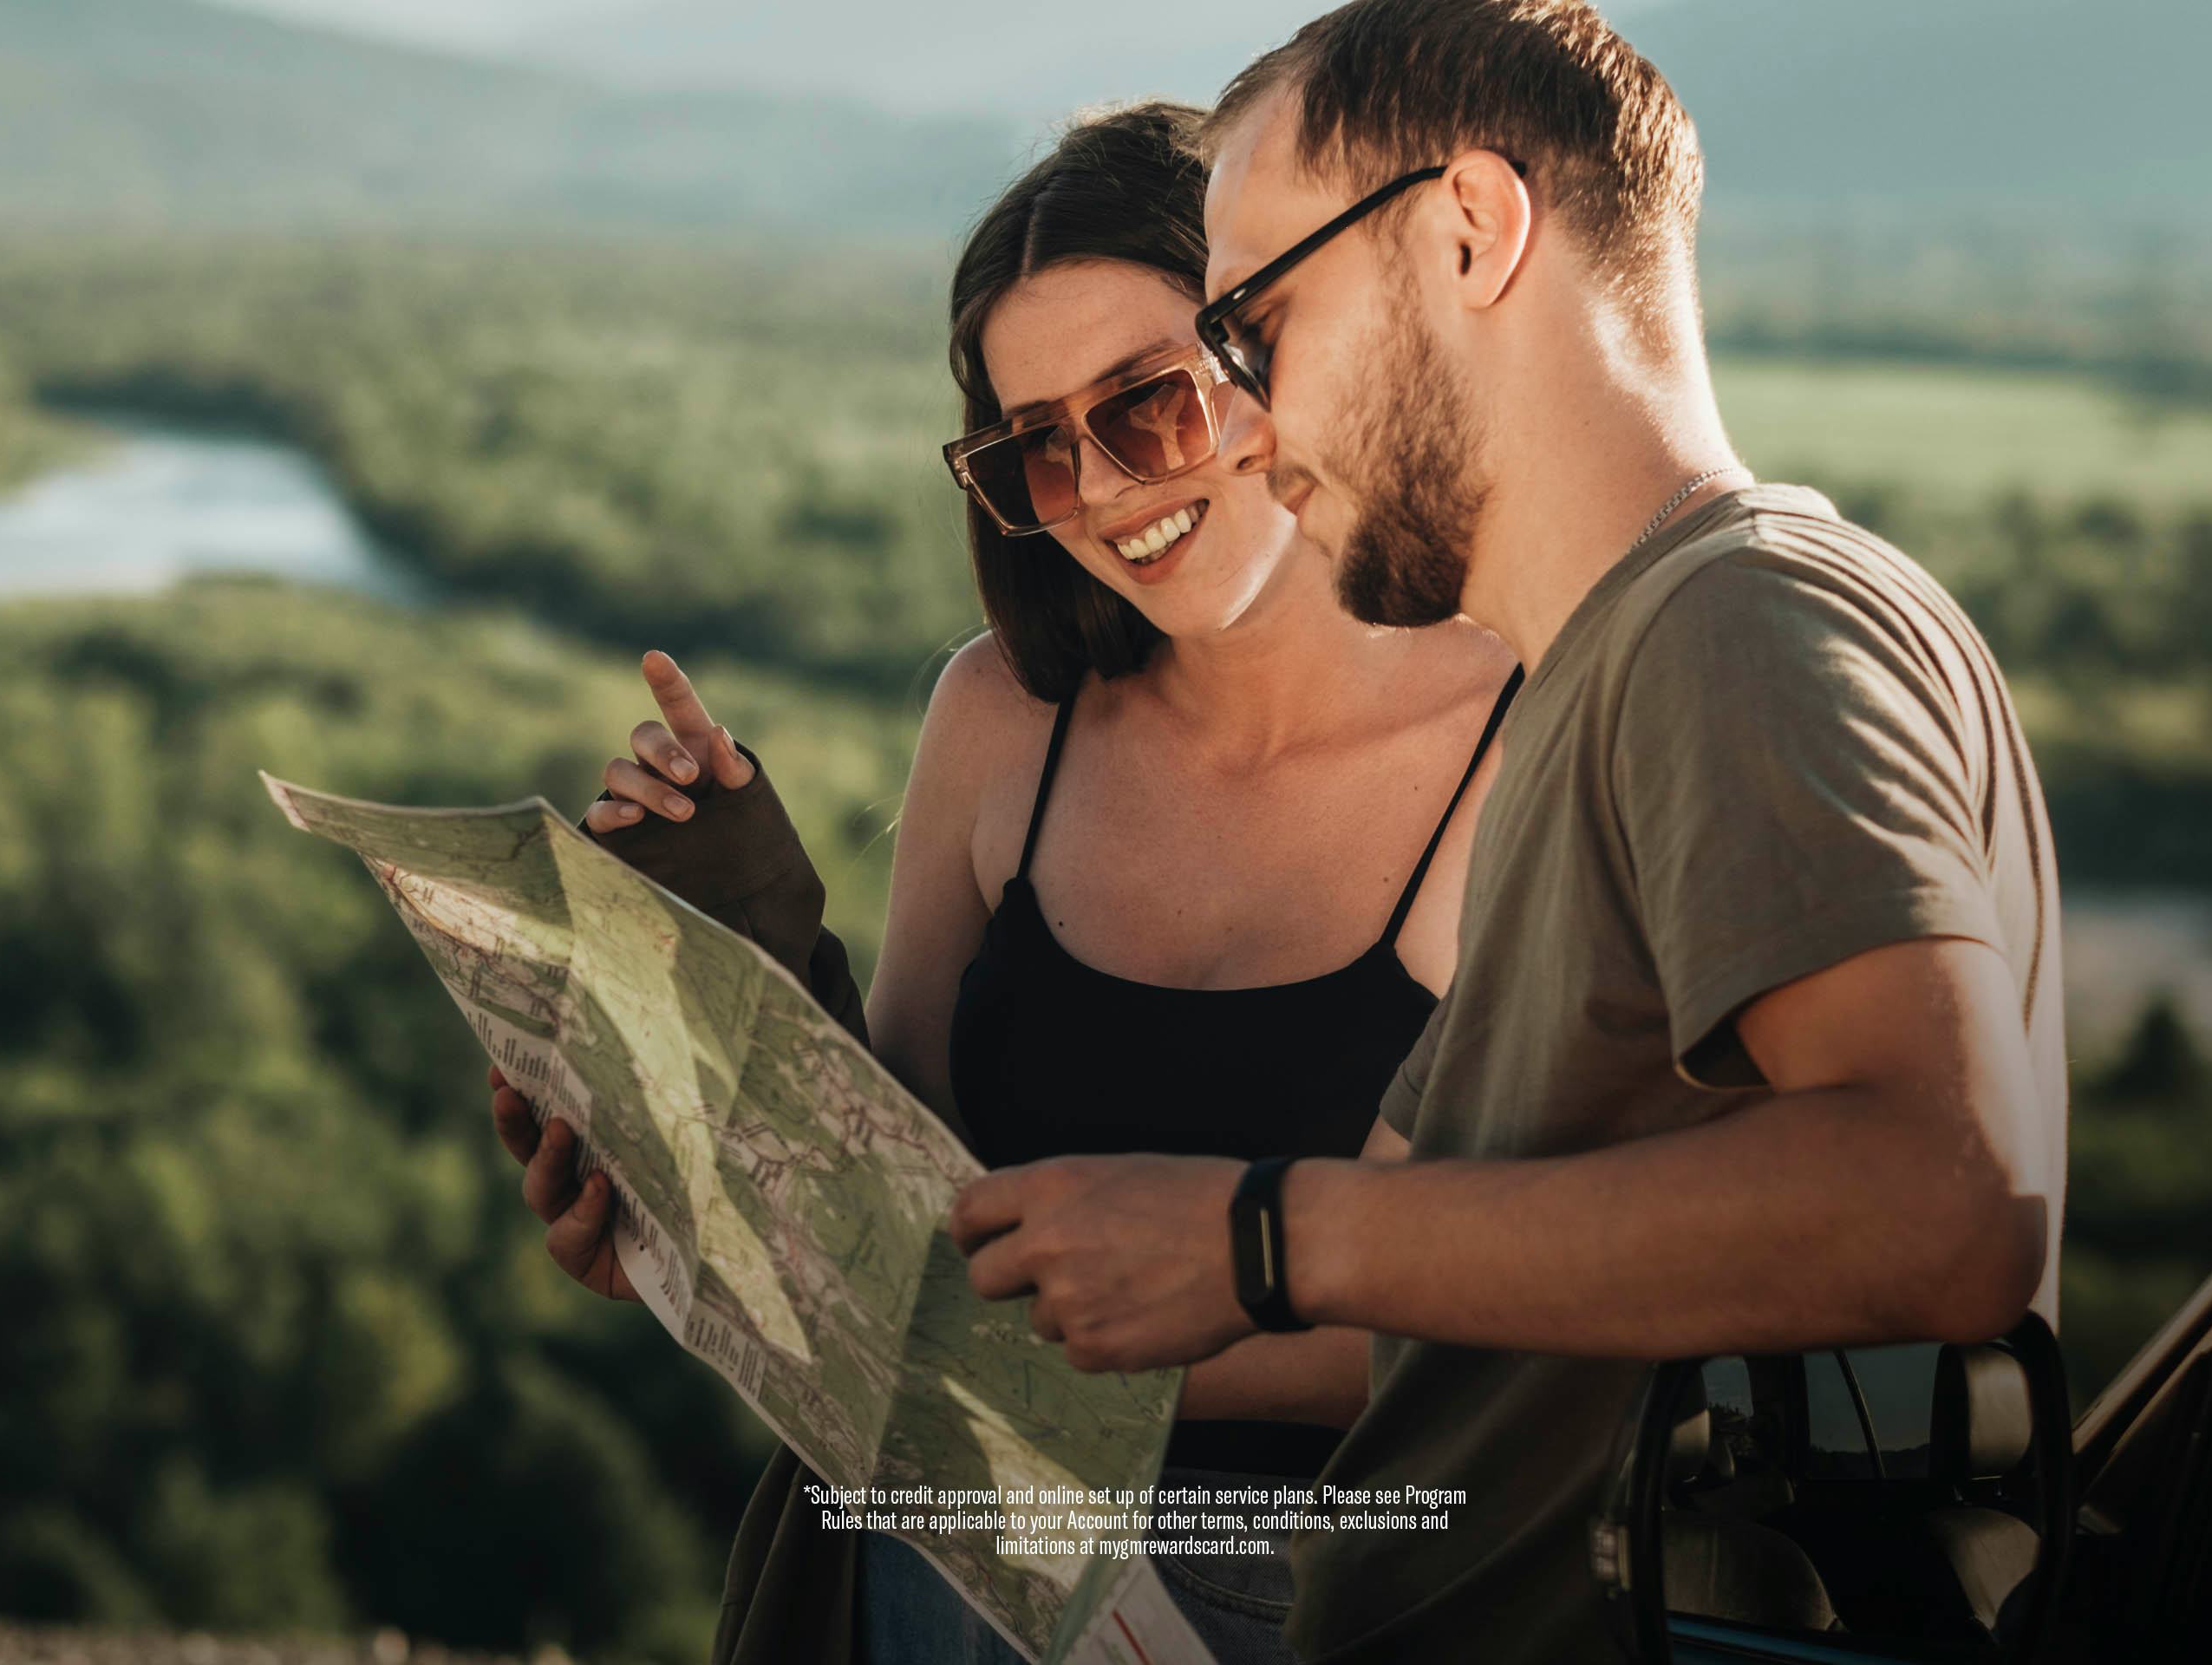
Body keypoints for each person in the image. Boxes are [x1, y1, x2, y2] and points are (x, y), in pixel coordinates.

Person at [940, 4, 2072, 1662]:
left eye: (1252, 320)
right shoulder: (1612, 671)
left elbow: (1950, 1201)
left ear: (1470, 231)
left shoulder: (1740, 626)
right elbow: (1474, 1284)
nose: (1241, 404)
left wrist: (1263, 1237)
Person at [480, 101, 1522, 1663]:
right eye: (1036, 443)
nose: (1103, 488)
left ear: (1279, 350)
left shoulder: (1529, 742)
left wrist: (935, 1342)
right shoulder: (1003, 715)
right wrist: (679, 1188)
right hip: (940, 1575)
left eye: (1147, 402)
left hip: (1325, 1591)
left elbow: (1471, 1334)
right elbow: (896, 1172)